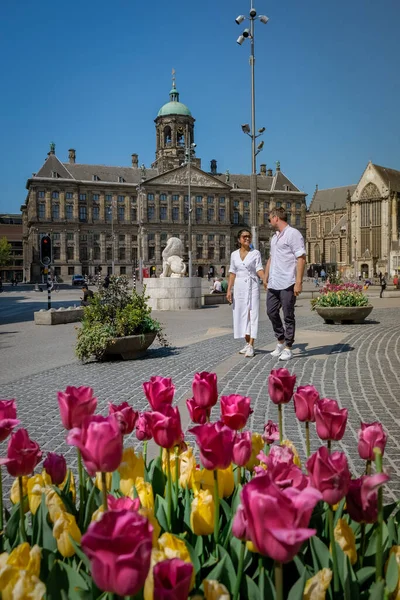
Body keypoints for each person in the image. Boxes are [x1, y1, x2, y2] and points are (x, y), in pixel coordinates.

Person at [264, 207, 306, 361]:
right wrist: (266, 276)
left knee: (288, 315)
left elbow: (301, 258)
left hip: (288, 282)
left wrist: (298, 282)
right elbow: (271, 258)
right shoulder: (274, 237)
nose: (269, 222)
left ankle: (288, 347)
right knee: (271, 311)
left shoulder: (293, 234)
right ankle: (280, 340)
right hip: (274, 283)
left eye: (269, 219)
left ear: (276, 218)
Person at [226, 229, 264, 358]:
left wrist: (265, 279)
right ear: (239, 239)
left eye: (249, 236)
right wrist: (229, 290)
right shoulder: (234, 255)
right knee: (241, 315)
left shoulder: (255, 253)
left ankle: (252, 345)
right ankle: (247, 343)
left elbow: (259, 269)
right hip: (239, 286)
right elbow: (232, 273)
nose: (247, 239)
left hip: (252, 285)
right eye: (244, 237)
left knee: (252, 314)